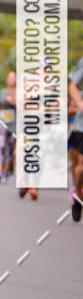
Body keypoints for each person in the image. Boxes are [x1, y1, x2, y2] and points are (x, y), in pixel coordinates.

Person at [0, 71, 20, 187]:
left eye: (14, 77)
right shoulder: (2, 92)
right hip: (2, 124)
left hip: (14, 125)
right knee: (1, 146)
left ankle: (7, 172)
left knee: (10, 149)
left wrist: (12, 101)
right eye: (9, 77)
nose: (11, 79)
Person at [67, 58, 83, 221]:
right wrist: (80, 104)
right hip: (81, 126)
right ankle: (79, 196)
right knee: (79, 168)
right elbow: (72, 85)